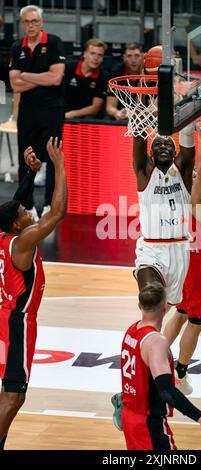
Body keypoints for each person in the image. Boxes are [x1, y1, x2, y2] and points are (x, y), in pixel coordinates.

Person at [0, 136, 67, 450]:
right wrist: (59, 166)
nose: (30, 212)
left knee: (11, 393)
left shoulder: (5, 234)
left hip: (5, 318)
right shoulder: (22, 244)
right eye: (26, 213)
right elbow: (57, 213)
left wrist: (29, 174)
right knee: (14, 396)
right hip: (18, 323)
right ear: (18, 225)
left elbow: (15, 203)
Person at [113, 282, 201, 450]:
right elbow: (166, 391)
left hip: (130, 416)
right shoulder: (156, 342)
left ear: (139, 306)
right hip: (147, 423)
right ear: (165, 306)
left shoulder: (132, 330)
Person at [163, 122, 201, 395]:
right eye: (193, 173)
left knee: (182, 312)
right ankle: (180, 375)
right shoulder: (195, 199)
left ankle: (158, 355)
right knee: (196, 322)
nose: (198, 173)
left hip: (186, 262)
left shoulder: (176, 194)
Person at [9, 4, 65, 221]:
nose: (31, 25)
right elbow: (15, 85)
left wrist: (26, 75)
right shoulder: (17, 46)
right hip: (28, 111)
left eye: (34, 21)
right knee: (26, 157)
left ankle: (50, 203)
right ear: (22, 24)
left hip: (52, 109)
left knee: (52, 157)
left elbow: (56, 78)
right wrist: (42, 77)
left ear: (41, 23)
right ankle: (27, 204)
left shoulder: (53, 42)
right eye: (27, 21)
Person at [133, 122, 195, 307]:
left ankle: (156, 334)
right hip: (151, 250)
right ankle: (141, 335)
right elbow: (139, 138)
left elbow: (188, 143)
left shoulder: (183, 172)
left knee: (165, 307)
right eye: (157, 145)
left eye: (168, 144)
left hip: (179, 250)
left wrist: (188, 120)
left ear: (175, 153)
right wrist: (139, 113)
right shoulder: (144, 173)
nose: (163, 146)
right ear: (151, 155)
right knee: (150, 298)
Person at [64, 38, 109, 120]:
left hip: (86, 117)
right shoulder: (68, 68)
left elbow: (95, 108)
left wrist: (72, 114)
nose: (96, 58)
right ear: (85, 54)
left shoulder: (104, 76)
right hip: (63, 112)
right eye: (92, 53)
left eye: (100, 55)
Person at [106, 43, 144, 120]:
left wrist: (134, 113)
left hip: (145, 117)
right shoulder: (116, 72)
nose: (133, 60)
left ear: (143, 56)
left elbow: (154, 108)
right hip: (121, 115)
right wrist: (117, 113)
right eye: (129, 56)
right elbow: (110, 107)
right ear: (124, 58)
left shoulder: (149, 73)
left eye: (137, 56)